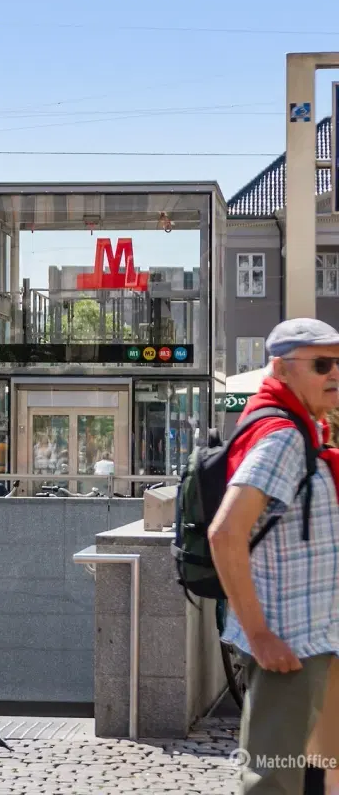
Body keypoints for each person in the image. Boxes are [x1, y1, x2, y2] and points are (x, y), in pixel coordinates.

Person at [209, 318, 339, 795]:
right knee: (272, 781)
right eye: (322, 364)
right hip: (290, 646)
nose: (336, 374)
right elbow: (225, 533)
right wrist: (261, 635)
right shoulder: (283, 436)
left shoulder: (307, 431)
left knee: (316, 774)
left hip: (317, 639)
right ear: (282, 370)